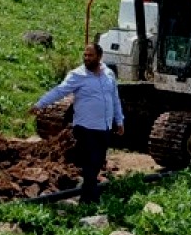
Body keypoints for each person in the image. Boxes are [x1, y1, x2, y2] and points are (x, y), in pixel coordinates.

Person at [30, 43, 124, 204]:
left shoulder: (109, 74)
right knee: (91, 162)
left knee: (98, 162)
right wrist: (40, 104)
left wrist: (119, 120)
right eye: (85, 55)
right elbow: (60, 91)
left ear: (99, 57)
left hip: (104, 127)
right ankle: (90, 199)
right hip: (85, 127)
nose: (87, 58)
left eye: (90, 56)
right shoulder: (77, 75)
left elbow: (114, 98)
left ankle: (87, 194)